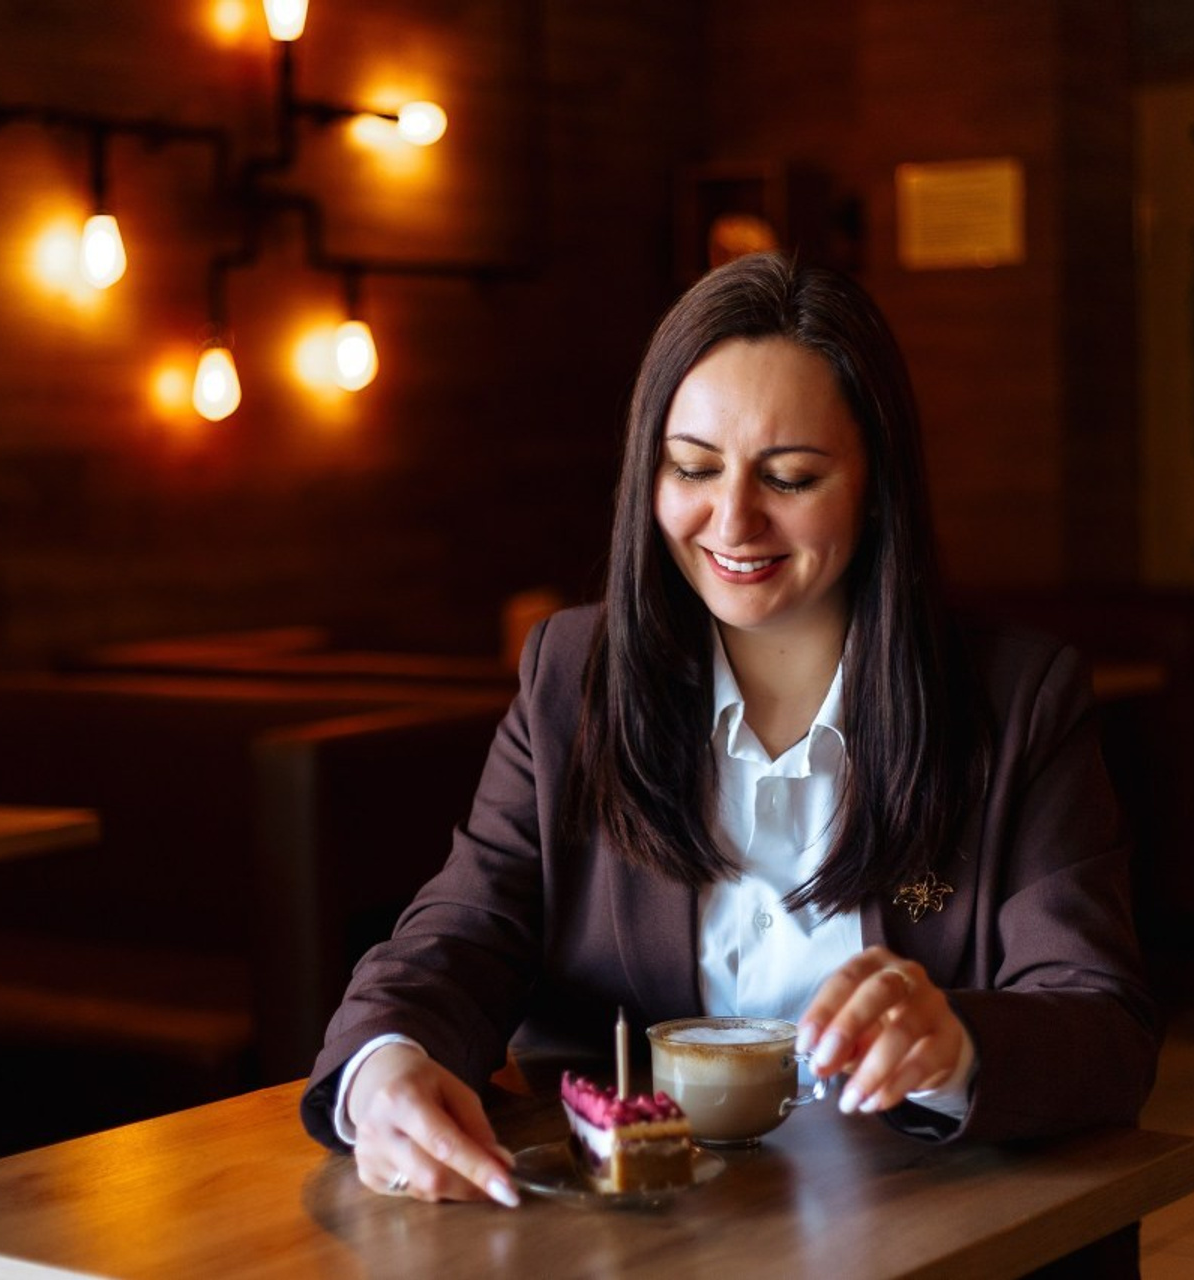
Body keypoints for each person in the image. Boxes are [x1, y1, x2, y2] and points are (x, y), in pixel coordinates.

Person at [300, 253, 1159, 1247]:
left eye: (789, 476)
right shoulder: (572, 674)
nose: (732, 520)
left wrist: (956, 1040)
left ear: (876, 483)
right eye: (693, 467)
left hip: (927, 1237)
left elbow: (1102, 1024)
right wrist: (383, 1062)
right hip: (636, 1241)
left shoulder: (1014, 701)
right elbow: (459, 931)